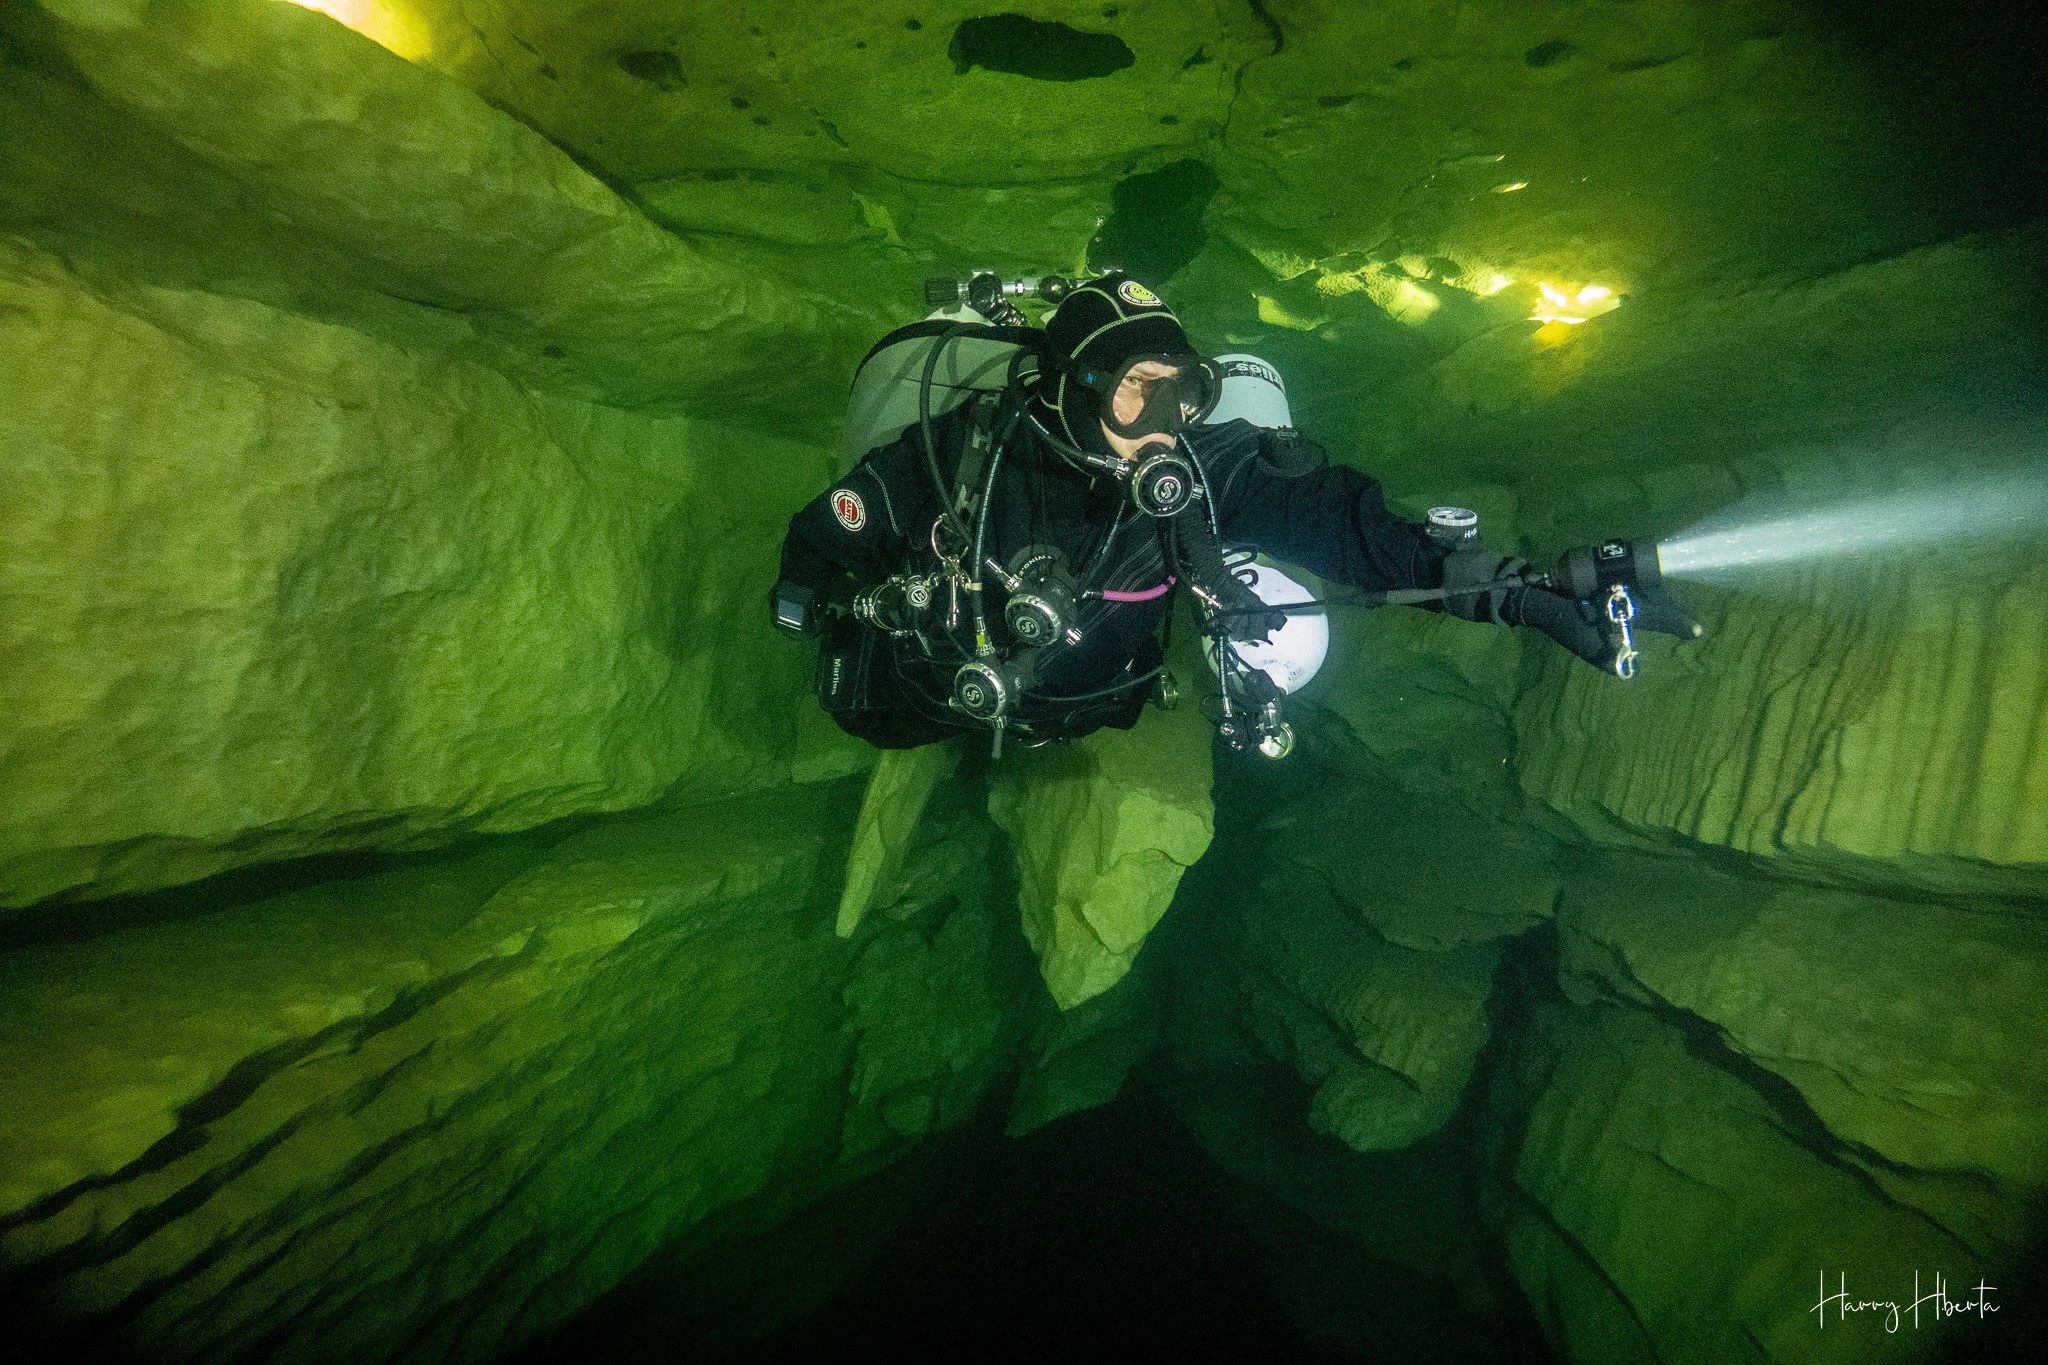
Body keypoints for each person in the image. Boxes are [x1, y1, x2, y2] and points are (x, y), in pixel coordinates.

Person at [773, 272, 1696, 754]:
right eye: (1137, 389)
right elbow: (824, 532)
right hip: (925, 696)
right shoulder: (959, 457)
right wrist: (802, 594)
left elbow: (1349, 528)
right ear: (1068, 387)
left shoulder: (1200, 470)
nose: (1164, 422)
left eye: (1182, 392)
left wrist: (1518, 592)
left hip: (1076, 712)